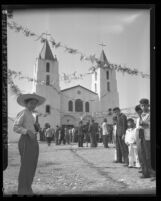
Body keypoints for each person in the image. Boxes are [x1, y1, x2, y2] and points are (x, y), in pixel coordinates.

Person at [13, 93, 46, 195]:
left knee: (32, 165)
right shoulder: (23, 113)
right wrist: (27, 131)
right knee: (26, 165)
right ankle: (22, 189)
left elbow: (33, 128)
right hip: (25, 140)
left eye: (35, 104)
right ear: (26, 104)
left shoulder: (32, 115)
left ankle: (28, 187)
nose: (33, 105)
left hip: (33, 141)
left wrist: (36, 128)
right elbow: (15, 127)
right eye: (31, 103)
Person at [139, 98, 154, 178]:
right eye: (142, 105)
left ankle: (152, 173)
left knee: (149, 155)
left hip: (148, 137)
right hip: (142, 136)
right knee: (143, 155)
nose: (143, 107)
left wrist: (144, 124)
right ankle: (145, 173)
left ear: (148, 105)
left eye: (144, 105)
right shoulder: (141, 114)